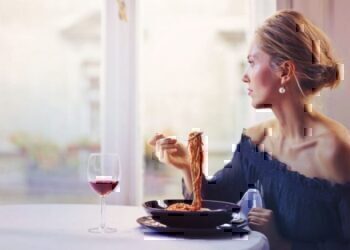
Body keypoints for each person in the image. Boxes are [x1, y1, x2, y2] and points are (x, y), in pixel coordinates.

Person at [148, 10, 350, 250]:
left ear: (285, 71)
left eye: (252, 63)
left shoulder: (335, 150)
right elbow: (214, 204)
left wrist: (280, 243)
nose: (245, 76)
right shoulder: (256, 141)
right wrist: (186, 165)